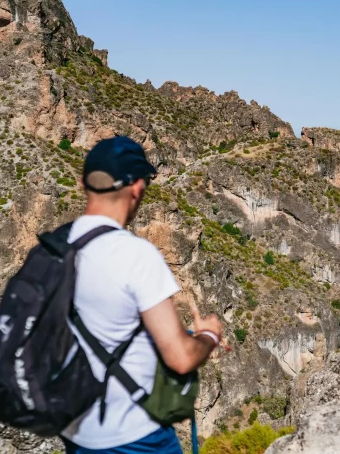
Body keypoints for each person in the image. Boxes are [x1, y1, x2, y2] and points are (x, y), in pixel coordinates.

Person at [61, 136, 222, 453]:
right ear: (136, 188)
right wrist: (208, 336)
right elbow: (181, 358)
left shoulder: (55, 249)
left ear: (83, 183)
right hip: (135, 437)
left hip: (77, 433)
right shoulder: (134, 255)